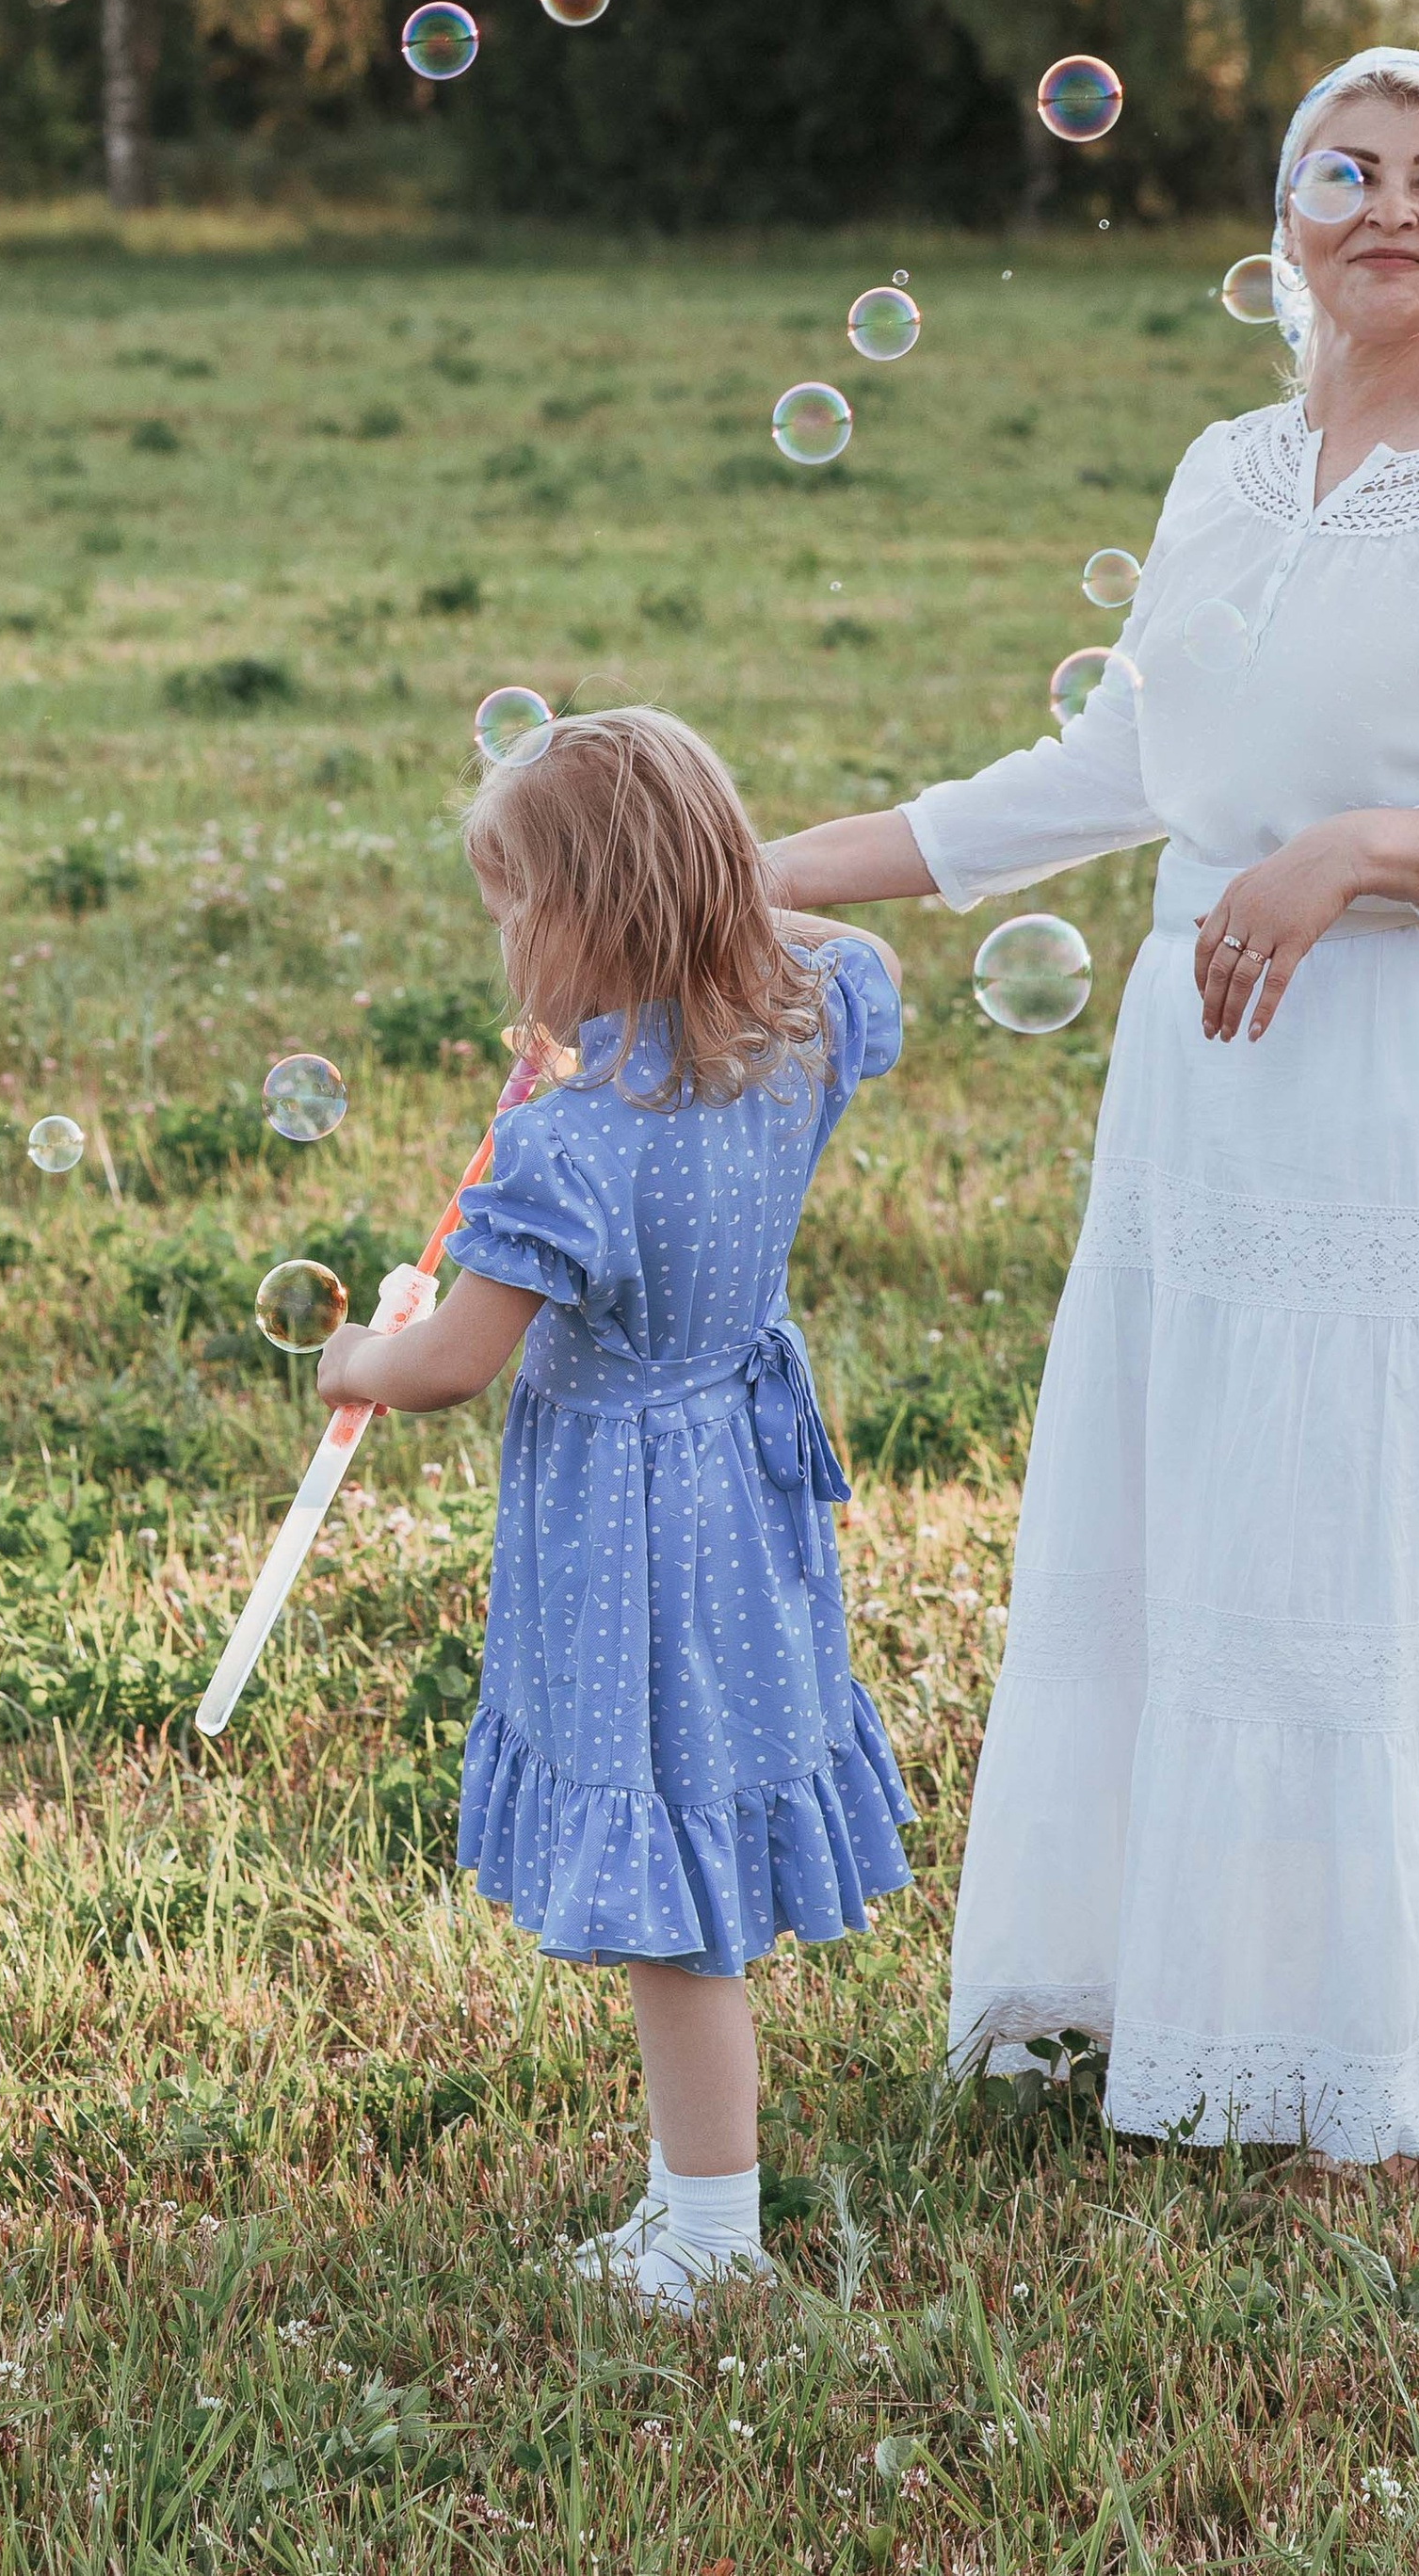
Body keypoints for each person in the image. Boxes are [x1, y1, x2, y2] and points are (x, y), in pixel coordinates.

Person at [765, 45, 1419, 2163]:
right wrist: (788, 861)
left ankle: (1366, 2043)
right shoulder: (1220, 475)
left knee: (1352, 1536)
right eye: (1340, 170)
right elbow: (1115, 776)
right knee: (1200, 1522)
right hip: (1203, 1085)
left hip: (1395, 1082)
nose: (1385, 207)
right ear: (1280, 221)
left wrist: (1363, 850)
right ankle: (1164, 1996)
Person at [312, 706, 912, 2305]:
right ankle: (686, 2204)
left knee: (671, 1898)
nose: (502, 935)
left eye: (517, 902)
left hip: (628, 1527)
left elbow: (451, 1362)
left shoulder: (565, 1144)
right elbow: (827, 939)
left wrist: (353, 1354)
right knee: (696, 1832)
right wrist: (702, 904)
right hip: (742, 1470)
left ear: (591, 916)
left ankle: (710, 2230)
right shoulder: (808, 1019)